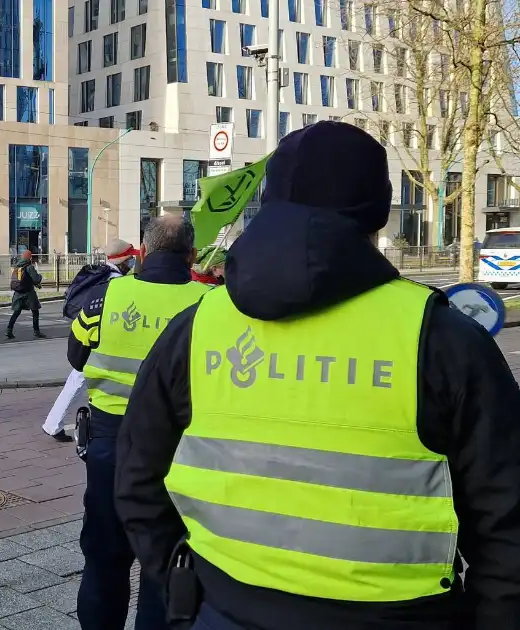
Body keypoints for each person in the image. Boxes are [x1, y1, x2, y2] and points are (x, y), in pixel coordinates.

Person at [117, 121, 520, 630]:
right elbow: (506, 525)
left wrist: (185, 591)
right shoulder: (442, 338)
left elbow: (135, 476)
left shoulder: (198, 327)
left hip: (221, 608)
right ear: (376, 212)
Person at [68, 217, 209, 630]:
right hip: (179, 451)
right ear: (193, 256)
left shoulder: (103, 299)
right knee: (164, 563)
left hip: (109, 445)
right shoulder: (209, 306)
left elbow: (77, 358)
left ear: (143, 252)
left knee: (103, 559)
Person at [42, 239, 137, 443]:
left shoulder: (101, 274)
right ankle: (55, 424)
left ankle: (53, 423)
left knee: (77, 380)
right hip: (100, 338)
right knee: (79, 380)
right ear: (122, 260)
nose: (133, 263)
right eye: (130, 259)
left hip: (89, 334)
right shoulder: (114, 281)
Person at [6, 249, 45, 339]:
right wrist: (40, 276)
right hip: (29, 293)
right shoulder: (30, 267)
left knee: (16, 312)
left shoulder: (17, 267)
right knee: (35, 311)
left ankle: (9, 330)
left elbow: (25, 279)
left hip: (18, 293)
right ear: (30, 257)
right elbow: (36, 279)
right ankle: (36, 331)